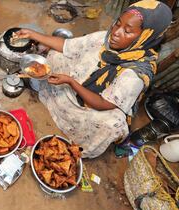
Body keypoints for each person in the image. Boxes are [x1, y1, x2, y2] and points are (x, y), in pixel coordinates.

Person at [17, 0, 172, 158]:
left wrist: (71, 82)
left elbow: (103, 104)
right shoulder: (107, 39)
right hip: (77, 83)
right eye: (118, 24)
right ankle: (52, 94)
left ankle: (77, 145)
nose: (117, 32)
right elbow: (67, 46)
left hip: (94, 106)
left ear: (146, 37)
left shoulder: (136, 74)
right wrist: (33, 34)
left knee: (113, 125)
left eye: (128, 31)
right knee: (56, 55)